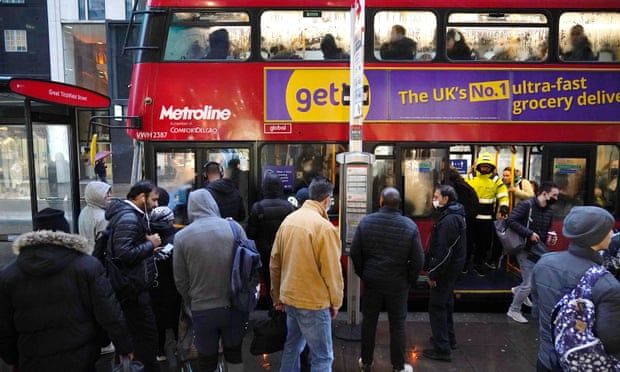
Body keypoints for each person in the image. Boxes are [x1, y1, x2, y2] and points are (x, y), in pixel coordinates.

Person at [0, 208, 133, 371]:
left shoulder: (9, 274)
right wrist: (124, 346)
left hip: (32, 359)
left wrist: (11, 357)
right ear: (66, 232)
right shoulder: (87, 266)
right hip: (81, 357)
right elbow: (109, 311)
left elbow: (4, 325)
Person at [531, 206, 620, 371]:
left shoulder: (544, 263)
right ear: (595, 236)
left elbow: (536, 312)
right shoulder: (607, 284)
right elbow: (612, 342)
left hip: (545, 360)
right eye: (608, 229)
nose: (612, 233)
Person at [270, 178, 344, 371]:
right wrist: (336, 302)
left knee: (292, 348)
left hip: (290, 299)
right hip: (314, 303)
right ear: (327, 200)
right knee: (323, 356)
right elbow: (332, 271)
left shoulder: (288, 221)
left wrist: (277, 296)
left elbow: (274, 263)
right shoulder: (324, 228)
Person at [351, 187, 424, 372]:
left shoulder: (366, 222)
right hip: (398, 284)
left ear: (381, 201)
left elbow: (355, 253)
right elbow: (418, 259)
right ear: (399, 204)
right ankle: (398, 366)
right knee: (398, 325)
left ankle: (366, 362)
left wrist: (364, 273)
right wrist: (409, 279)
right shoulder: (409, 226)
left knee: (369, 322)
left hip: (373, 282)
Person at [173, 189, 246, 372]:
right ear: (213, 204)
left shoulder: (181, 237)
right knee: (234, 354)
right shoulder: (235, 228)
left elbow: (180, 279)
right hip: (234, 306)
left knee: (206, 358)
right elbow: (248, 265)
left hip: (202, 309)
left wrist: (192, 301)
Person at [105, 180, 162, 372]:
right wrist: (150, 245)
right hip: (132, 290)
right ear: (140, 197)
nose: (156, 205)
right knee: (146, 337)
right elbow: (123, 254)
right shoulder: (129, 218)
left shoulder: (131, 216)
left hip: (133, 288)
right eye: (153, 200)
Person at [422, 185, 467, 362]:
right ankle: (449, 339)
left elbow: (443, 252)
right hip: (451, 270)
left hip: (445, 272)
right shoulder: (455, 215)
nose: (434, 200)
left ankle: (442, 349)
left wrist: (433, 274)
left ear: (446, 199)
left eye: (436, 196)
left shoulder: (449, 220)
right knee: (446, 304)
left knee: (437, 307)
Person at [505, 182, 559, 324]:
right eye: (554, 195)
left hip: (538, 249)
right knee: (529, 283)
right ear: (544, 193)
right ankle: (514, 310)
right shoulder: (526, 205)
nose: (556, 198)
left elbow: (544, 230)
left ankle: (518, 290)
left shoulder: (549, 211)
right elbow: (510, 220)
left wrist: (550, 236)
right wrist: (529, 233)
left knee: (533, 280)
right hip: (524, 248)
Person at [246, 173, 295, 306]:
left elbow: (251, 234)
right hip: (285, 252)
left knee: (269, 281)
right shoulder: (289, 207)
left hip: (265, 253)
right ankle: (284, 311)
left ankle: (273, 309)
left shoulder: (258, 207)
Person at [466, 152, 509, 275]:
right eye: (483, 166)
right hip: (471, 218)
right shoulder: (470, 178)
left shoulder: (496, 180)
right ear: (478, 166)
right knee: (467, 243)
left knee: (483, 244)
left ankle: (478, 265)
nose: (485, 168)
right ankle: (464, 264)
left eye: (487, 166)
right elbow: (463, 193)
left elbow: (503, 195)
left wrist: (504, 207)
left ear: (492, 167)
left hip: (486, 219)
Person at [148, 205, 182, 363]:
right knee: (177, 319)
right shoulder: (177, 238)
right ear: (171, 221)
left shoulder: (149, 239)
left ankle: (160, 350)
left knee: (158, 321)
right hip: (174, 287)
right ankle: (177, 349)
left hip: (155, 287)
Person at [78, 180, 112, 248]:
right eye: (106, 193)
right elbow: (104, 244)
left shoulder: (84, 210)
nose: (110, 195)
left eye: (110, 192)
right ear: (96, 195)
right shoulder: (103, 217)